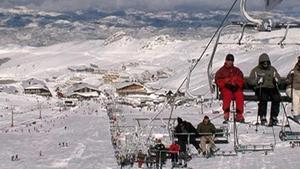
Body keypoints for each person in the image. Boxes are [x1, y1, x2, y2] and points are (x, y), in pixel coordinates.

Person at [249, 53, 281, 126]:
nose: (265, 64)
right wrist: (257, 81)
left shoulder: (272, 69)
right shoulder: (256, 70)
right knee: (263, 97)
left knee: (276, 97)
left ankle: (274, 116)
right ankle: (262, 116)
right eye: (263, 62)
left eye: (266, 62)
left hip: (271, 87)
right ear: (260, 63)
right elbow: (250, 81)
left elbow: (278, 79)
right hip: (261, 87)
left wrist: (276, 80)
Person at [215, 54, 245, 123]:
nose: (230, 62)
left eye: (231, 60)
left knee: (239, 95)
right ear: (225, 61)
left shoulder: (237, 70)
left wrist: (237, 85)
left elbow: (241, 79)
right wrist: (226, 83)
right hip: (226, 88)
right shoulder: (221, 71)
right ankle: (226, 113)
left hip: (235, 88)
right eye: (228, 60)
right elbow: (218, 81)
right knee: (227, 95)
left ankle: (239, 114)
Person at [286, 56, 300, 122]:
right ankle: (296, 115)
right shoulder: (293, 71)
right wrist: (290, 78)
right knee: (295, 98)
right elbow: (287, 81)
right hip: (292, 88)